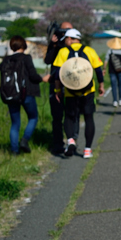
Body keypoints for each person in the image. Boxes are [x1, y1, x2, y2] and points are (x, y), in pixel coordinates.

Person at [51, 28, 105, 159]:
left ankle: (70, 140)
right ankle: (87, 150)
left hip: (70, 91)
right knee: (88, 118)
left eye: (66, 40)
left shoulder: (63, 52)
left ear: (69, 39)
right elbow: (98, 70)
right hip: (87, 91)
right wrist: (101, 85)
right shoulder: (89, 50)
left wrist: (57, 91)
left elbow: (57, 74)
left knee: (69, 117)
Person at [0, 35, 48, 154]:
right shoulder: (26, 58)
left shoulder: (6, 60)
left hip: (11, 94)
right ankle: (24, 140)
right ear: (24, 46)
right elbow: (33, 75)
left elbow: (0, 68)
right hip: (27, 93)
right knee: (33, 117)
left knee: (15, 123)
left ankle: (14, 151)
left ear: (12, 46)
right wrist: (43, 79)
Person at [44, 21, 73, 154]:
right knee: (57, 116)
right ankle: (58, 143)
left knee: (72, 113)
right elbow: (48, 60)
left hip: (71, 83)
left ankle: (72, 140)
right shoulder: (55, 45)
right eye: (64, 31)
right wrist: (53, 45)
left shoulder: (74, 46)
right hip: (55, 83)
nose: (67, 35)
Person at [106, 37, 121, 107]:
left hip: (112, 71)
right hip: (120, 71)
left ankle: (115, 101)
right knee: (120, 85)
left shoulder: (110, 51)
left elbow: (106, 61)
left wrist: (104, 69)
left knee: (113, 86)